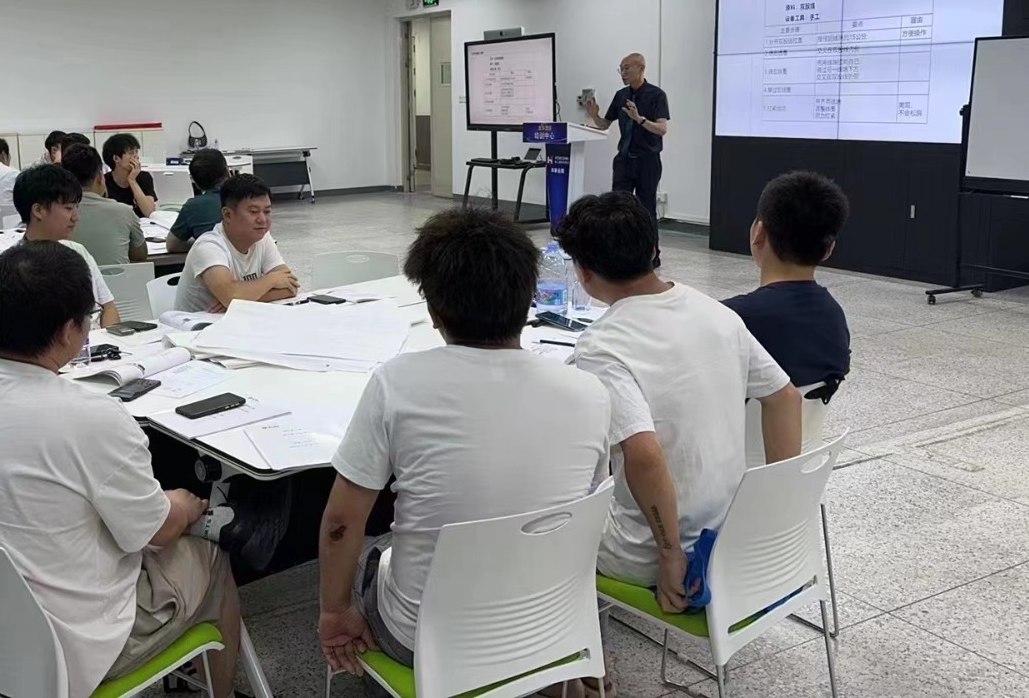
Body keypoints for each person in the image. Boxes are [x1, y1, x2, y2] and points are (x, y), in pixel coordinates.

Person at [0, 241, 242, 698]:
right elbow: (155, 533)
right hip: (66, 652)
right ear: (68, 331)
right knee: (209, 555)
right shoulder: (89, 416)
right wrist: (181, 505)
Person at [317, 207, 611, 688]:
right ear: (529, 299)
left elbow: (340, 524)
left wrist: (335, 613)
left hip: (426, 642)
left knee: (376, 556)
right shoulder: (590, 393)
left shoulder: (397, 384)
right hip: (551, 627)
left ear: (433, 310)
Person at [555, 192, 802, 609]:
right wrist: (774, 516)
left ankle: (555, 634)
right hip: (729, 535)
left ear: (583, 272)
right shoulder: (716, 313)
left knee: (548, 503)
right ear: (654, 249)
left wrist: (670, 554)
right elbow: (786, 398)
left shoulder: (601, 345)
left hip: (648, 555)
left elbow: (644, 455)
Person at [724, 172, 851, 443]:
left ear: (759, 233)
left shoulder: (728, 319)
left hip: (732, 464)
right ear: (829, 249)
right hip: (804, 464)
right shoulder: (834, 317)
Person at [584, 53, 669, 266]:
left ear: (641, 68)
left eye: (627, 68)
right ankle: (618, 254)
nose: (623, 73)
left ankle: (651, 256)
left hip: (647, 161)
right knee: (617, 209)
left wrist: (639, 119)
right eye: (620, 69)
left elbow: (662, 129)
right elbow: (605, 124)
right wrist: (594, 115)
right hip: (624, 160)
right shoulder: (621, 95)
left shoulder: (656, 95)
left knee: (646, 209)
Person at [12, 164, 122, 327]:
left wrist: (105, 338)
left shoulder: (78, 251)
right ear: (39, 210)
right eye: (68, 208)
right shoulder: (15, 267)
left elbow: (109, 308)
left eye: (76, 207)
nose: (76, 217)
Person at [174, 174, 297, 313]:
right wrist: (272, 279)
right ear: (227, 215)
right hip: (197, 325)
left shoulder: (262, 237)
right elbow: (231, 295)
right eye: (254, 212)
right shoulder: (208, 246)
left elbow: (291, 287)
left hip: (239, 319)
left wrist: (240, 300)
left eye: (267, 211)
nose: (262, 219)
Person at [62, 144, 147, 266]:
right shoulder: (124, 211)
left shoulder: (55, 214)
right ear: (99, 177)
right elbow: (140, 255)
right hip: (117, 279)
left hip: (72, 278)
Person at [166, 148, 229, 253]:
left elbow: (172, 245)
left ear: (195, 182)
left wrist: (203, 243)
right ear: (227, 172)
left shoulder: (193, 207)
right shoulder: (248, 196)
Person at [102, 132, 158, 218]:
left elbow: (149, 212)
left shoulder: (144, 177)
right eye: (131, 153)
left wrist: (132, 181)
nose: (136, 157)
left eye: (136, 152)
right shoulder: (104, 181)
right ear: (116, 158)